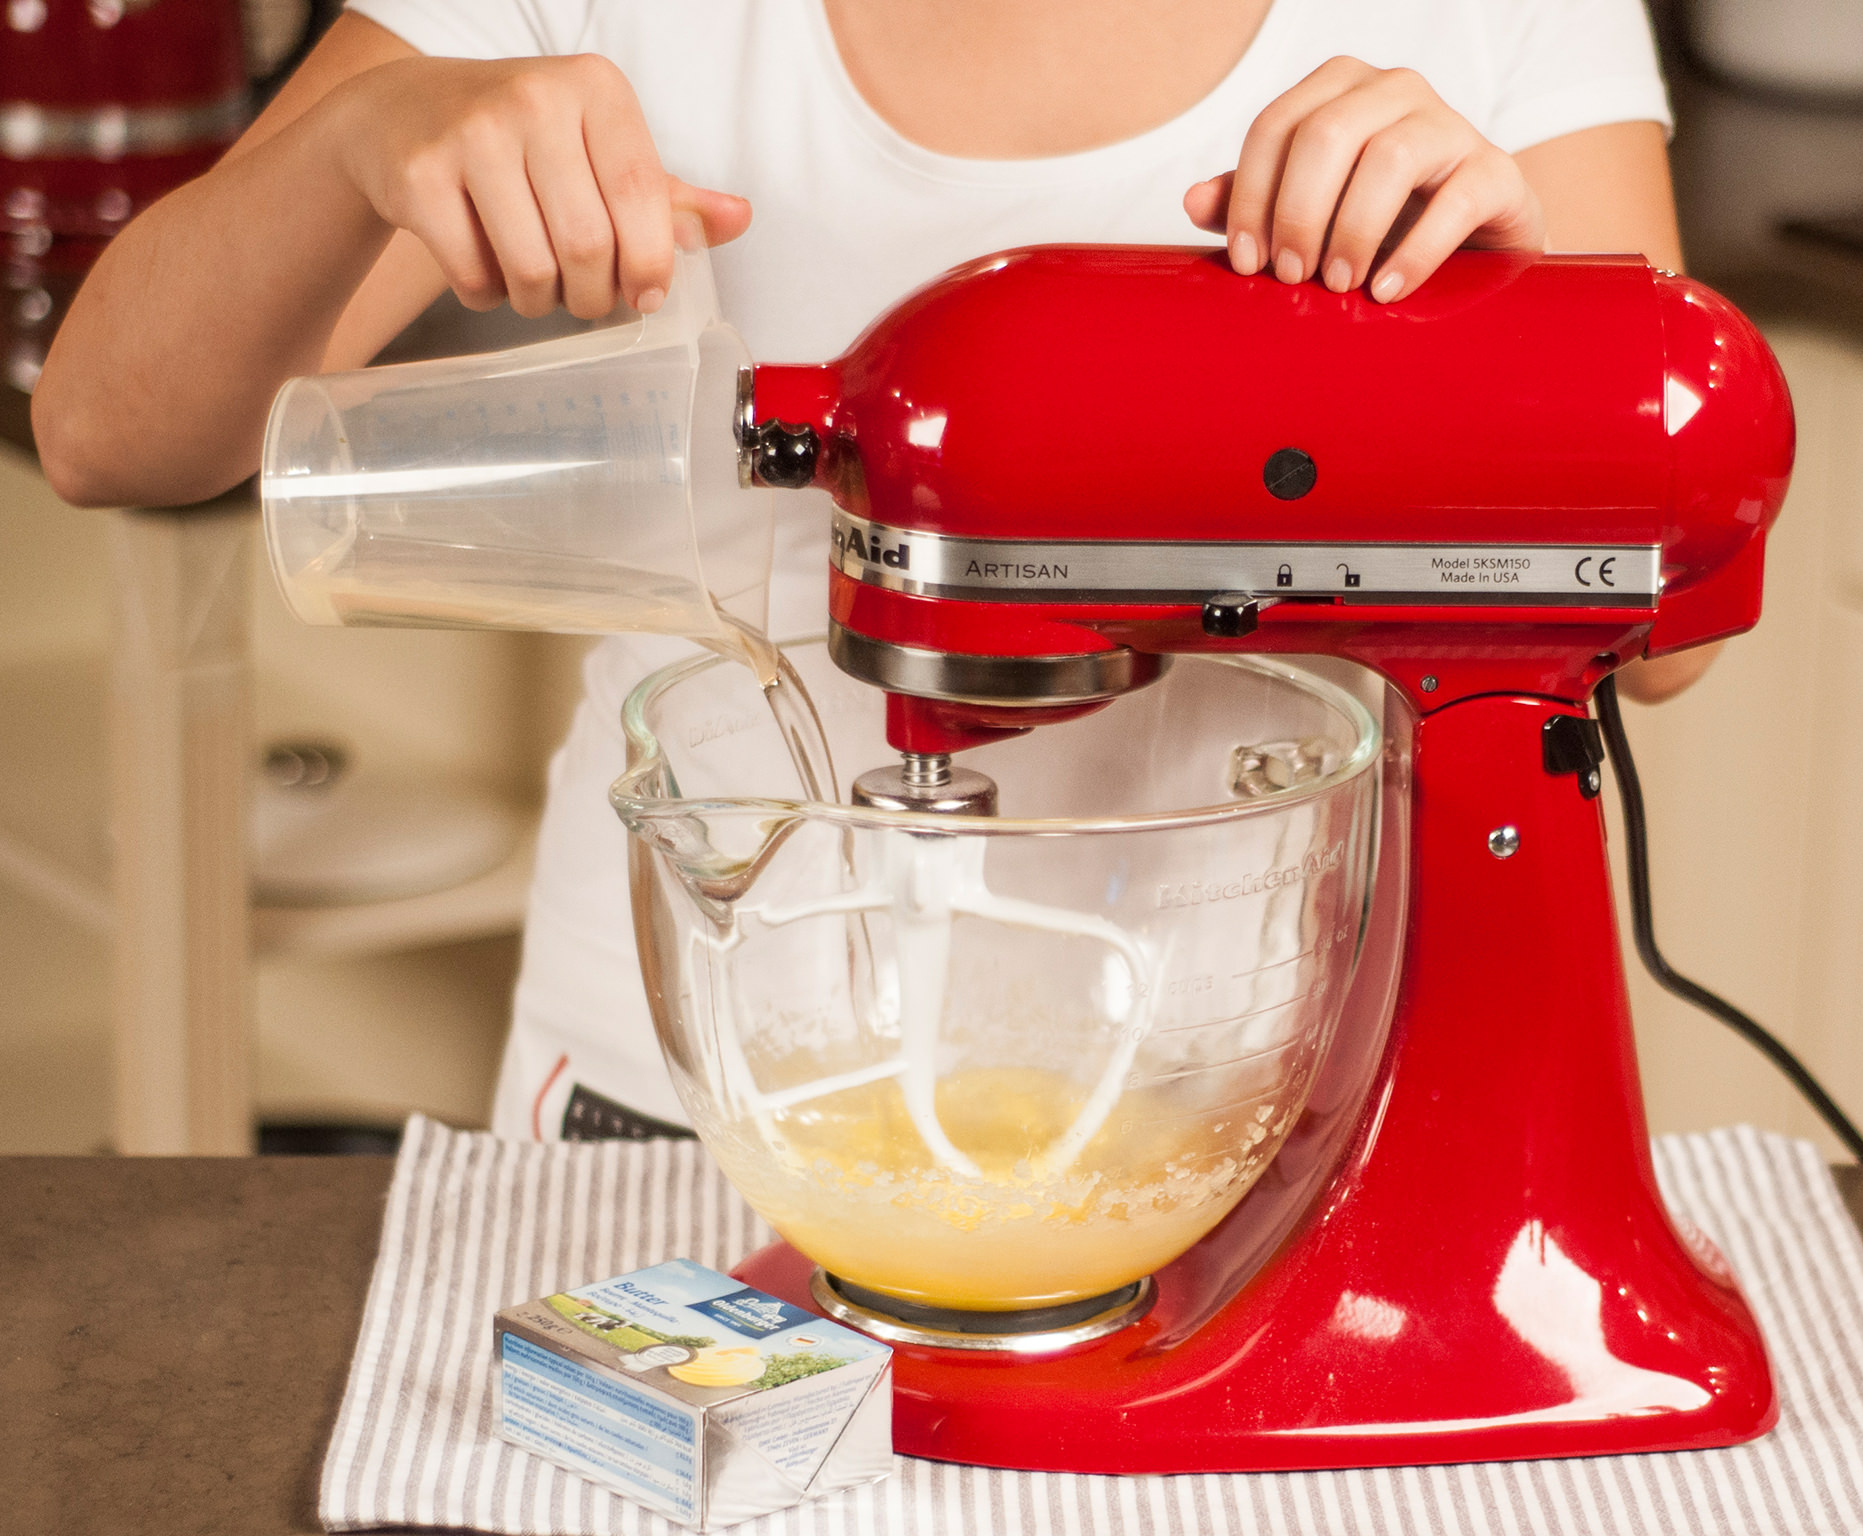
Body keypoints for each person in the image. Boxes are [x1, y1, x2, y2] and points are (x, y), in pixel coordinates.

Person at [35, 0, 1705, 1140]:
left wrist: (1514, 328)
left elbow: (1673, 626)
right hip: (683, 1099)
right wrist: (364, 139)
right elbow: (110, 432)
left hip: (1256, 1110)